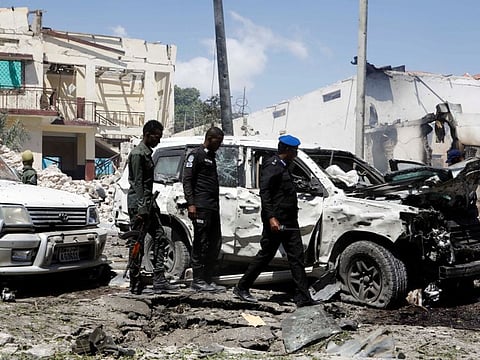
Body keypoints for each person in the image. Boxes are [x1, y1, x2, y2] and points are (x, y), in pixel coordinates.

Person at [233, 135, 319, 307]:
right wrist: (272, 218)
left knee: (296, 257)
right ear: (287, 150)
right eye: (294, 150)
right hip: (276, 221)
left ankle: (303, 297)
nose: (296, 153)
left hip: (289, 220)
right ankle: (242, 287)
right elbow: (265, 193)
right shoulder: (273, 166)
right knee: (266, 255)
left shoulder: (286, 166)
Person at [127, 119, 179, 295]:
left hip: (149, 204)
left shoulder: (147, 153)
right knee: (137, 244)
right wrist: (142, 209)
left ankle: (159, 279)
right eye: (157, 137)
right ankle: (134, 282)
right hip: (140, 206)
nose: (159, 140)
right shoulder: (137, 154)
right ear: (147, 135)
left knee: (161, 238)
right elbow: (137, 183)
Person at [182, 126, 225, 292]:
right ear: (210, 138)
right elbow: (187, 180)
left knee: (215, 242)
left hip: (212, 207)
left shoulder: (211, 157)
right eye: (218, 141)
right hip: (201, 206)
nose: (219, 145)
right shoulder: (196, 154)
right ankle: (198, 280)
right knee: (201, 243)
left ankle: (207, 278)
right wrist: (191, 203)